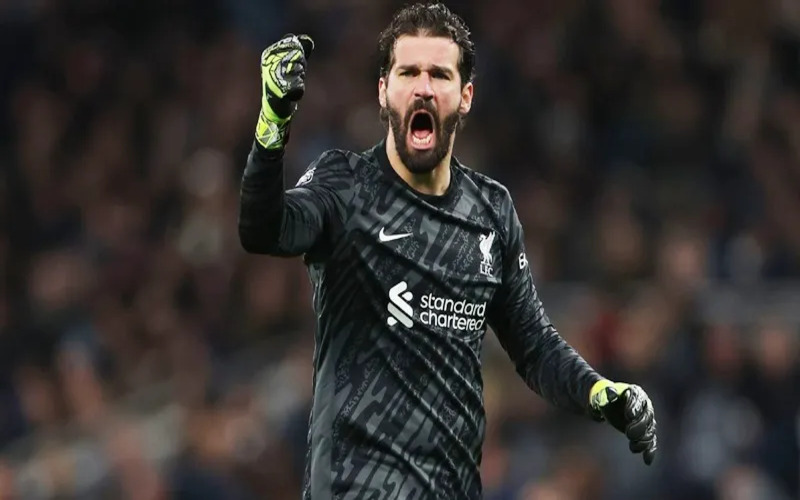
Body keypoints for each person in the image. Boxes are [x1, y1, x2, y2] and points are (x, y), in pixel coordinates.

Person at [238, 3, 657, 498]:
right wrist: (273, 121)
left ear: (465, 96)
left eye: (439, 74)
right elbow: (265, 230)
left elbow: (534, 346)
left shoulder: (491, 210)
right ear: (383, 91)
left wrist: (602, 393)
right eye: (408, 72)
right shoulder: (346, 184)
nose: (423, 87)